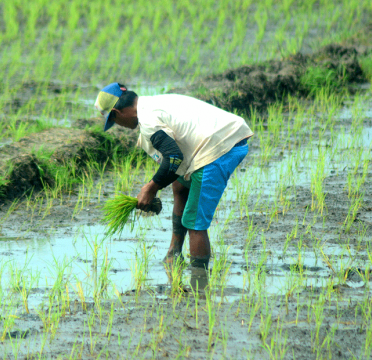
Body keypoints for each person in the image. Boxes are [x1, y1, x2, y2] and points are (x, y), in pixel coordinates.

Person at [95, 82, 253, 271]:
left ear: (117, 112)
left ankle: (199, 281)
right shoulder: (151, 103)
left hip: (220, 147)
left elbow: (173, 157)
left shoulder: (149, 122)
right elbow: (175, 160)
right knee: (180, 185)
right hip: (217, 137)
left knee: (194, 222)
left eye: (114, 122)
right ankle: (174, 253)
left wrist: (151, 188)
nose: (118, 126)